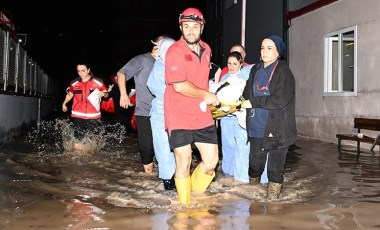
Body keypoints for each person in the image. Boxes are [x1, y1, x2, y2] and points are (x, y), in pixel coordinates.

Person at [164, 7, 220, 205]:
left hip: (202, 113)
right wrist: (207, 94)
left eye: (195, 27)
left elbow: (202, 78)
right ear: (181, 27)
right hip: (178, 114)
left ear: (201, 28)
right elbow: (179, 85)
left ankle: (195, 197)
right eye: (186, 26)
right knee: (184, 160)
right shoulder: (174, 51)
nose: (190, 30)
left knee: (211, 162)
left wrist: (211, 94)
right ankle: (184, 207)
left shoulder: (207, 50)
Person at [242, 35, 297, 199]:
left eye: (269, 48)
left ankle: (274, 207)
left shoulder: (284, 72)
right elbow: (247, 93)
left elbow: (280, 100)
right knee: (255, 165)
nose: (264, 51)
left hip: (278, 128)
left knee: (275, 169)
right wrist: (238, 102)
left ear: (278, 51)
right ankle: (254, 200)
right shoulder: (255, 69)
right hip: (256, 127)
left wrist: (254, 101)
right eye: (262, 47)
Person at [117, 35, 165, 173]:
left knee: (165, 147)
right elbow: (121, 74)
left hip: (163, 111)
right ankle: (147, 180)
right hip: (144, 110)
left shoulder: (167, 62)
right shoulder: (142, 59)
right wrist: (124, 95)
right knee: (147, 147)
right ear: (157, 45)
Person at [147, 37, 176, 190]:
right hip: (161, 112)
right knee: (164, 146)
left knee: (176, 146)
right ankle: (168, 180)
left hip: (175, 112)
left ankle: (175, 179)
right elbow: (156, 88)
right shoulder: (159, 67)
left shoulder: (173, 65)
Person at [219, 51, 251, 184]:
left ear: (241, 64)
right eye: (229, 63)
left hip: (240, 119)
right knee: (228, 147)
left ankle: (241, 178)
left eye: (234, 63)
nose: (231, 66)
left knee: (242, 148)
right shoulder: (224, 78)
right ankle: (228, 174)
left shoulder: (244, 78)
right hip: (226, 118)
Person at [61, 61, 109, 151]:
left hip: (93, 115)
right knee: (77, 141)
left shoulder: (98, 82)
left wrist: (104, 94)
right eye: (78, 71)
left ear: (88, 70)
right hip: (77, 114)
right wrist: (64, 103)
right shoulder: (74, 83)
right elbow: (70, 94)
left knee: (92, 141)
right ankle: (78, 160)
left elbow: (107, 94)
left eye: (83, 70)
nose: (81, 73)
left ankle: (90, 161)